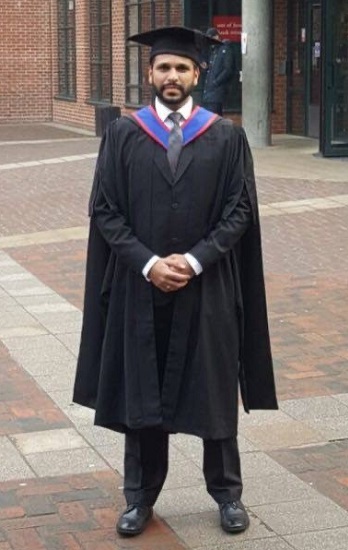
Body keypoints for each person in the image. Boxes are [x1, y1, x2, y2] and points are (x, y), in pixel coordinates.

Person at [73, 25, 277, 538]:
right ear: (150, 73)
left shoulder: (226, 137)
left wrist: (193, 260)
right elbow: (105, 210)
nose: (172, 76)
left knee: (212, 387)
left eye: (182, 68)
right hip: (139, 288)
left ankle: (228, 495)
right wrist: (148, 263)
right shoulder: (123, 134)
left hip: (205, 288)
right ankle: (139, 498)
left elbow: (239, 212)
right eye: (163, 67)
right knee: (141, 391)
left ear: (197, 74)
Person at [201, 27, 235, 116]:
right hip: (208, 93)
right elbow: (211, 70)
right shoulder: (213, 51)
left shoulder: (225, 49)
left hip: (217, 93)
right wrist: (205, 67)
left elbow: (228, 70)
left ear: (216, 37)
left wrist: (216, 82)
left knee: (214, 120)